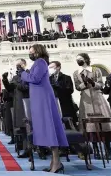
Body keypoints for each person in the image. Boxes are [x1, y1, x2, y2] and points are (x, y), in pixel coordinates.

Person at [20, 44, 68, 173]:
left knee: (49, 127)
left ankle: (56, 161)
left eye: (31, 52)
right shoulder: (39, 63)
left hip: (42, 97)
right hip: (38, 97)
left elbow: (34, 79)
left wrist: (24, 73)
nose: (30, 54)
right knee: (46, 127)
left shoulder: (40, 62)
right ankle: (54, 161)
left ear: (37, 52)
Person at [73, 53, 111, 160]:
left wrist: (92, 83)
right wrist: (84, 84)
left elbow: (100, 84)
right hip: (85, 99)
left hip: (97, 98)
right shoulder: (76, 73)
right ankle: (96, 151)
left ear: (85, 59)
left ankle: (108, 150)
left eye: (80, 59)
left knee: (103, 124)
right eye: (77, 59)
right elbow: (77, 87)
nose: (78, 61)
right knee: (89, 126)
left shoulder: (95, 70)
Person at [2, 59, 30, 158]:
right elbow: (10, 89)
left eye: (19, 64)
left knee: (29, 127)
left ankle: (33, 148)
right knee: (22, 127)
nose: (17, 66)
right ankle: (26, 148)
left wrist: (17, 82)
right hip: (17, 103)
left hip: (26, 102)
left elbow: (26, 87)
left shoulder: (28, 73)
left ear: (24, 64)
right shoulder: (15, 76)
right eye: (16, 64)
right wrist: (5, 79)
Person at [48, 61, 77, 127]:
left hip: (65, 105)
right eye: (49, 68)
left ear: (58, 67)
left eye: (52, 67)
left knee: (68, 125)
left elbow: (70, 90)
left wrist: (59, 86)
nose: (50, 69)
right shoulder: (48, 79)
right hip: (53, 104)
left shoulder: (66, 77)